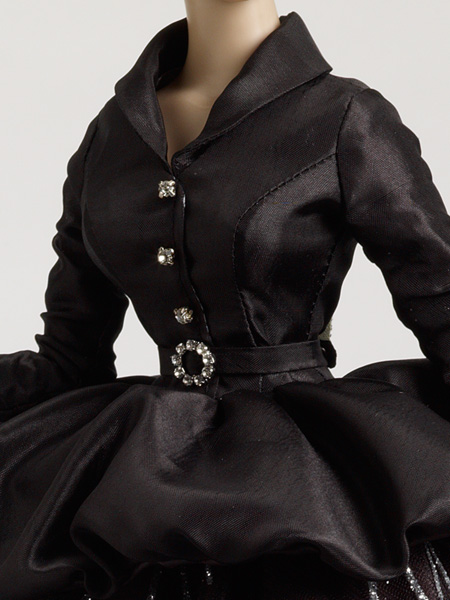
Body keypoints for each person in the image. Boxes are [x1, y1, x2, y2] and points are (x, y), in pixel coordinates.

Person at [1, 1, 450, 599]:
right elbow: (70, 358)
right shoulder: (111, 134)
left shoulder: (344, 116)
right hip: (149, 480)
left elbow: (440, 298)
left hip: (307, 487)